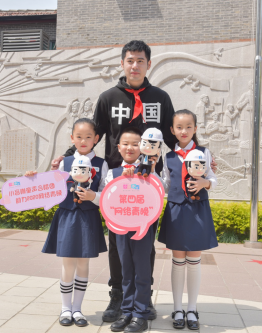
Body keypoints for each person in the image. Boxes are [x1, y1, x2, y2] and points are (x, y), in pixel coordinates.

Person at [50, 40, 176, 322]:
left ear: (148, 64)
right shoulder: (109, 97)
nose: (135, 65)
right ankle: (117, 297)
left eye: (140, 61)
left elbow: (172, 137)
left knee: (145, 241)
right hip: (115, 183)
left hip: (148, 183)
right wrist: (67, 156)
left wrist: (199, 155)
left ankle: (143, 298)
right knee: (119, 242)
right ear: (122, 63)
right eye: (130, 60)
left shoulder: (161, 98)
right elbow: (93, 134)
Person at [25, 118, 108, 327]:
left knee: (83, 263)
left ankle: (78, 309)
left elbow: (107, 194)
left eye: (88, 137)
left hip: (88, 217)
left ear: (96, 139)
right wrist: (33, 179)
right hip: (68, 216)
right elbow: (51, 188)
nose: (83, 140)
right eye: (79, 137)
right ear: (72, 138)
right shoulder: (65, 162)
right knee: (68, 263)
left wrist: (93, 197)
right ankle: (65, 308)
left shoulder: (101, 164)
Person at [158, 109, 218, 331]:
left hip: (197, 211)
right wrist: (149, 180)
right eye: (179, 127)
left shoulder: (204, 152)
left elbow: (213, 179)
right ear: (172, 130)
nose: (184, 131)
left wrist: (205, 183)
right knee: (177, 261)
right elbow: (165, 184)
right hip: (175, 212)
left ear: (195, 128)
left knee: (194, 260)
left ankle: (192, 308)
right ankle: (177, 308)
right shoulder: (168, 157)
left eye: (188, 127)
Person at [104, 127, 161, 332]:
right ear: (118, 148)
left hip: (142, 229)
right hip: (120, 229)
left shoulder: (150, 169)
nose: (130, 147)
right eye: (125, 144)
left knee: (142, 272)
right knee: (126, 272)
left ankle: (140, 314)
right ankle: (127, 312)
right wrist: (123, 179)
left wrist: (147, 174)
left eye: (136, 144)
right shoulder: (113, 173)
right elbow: (107, 198)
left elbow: (160, 192)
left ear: (144, 146)